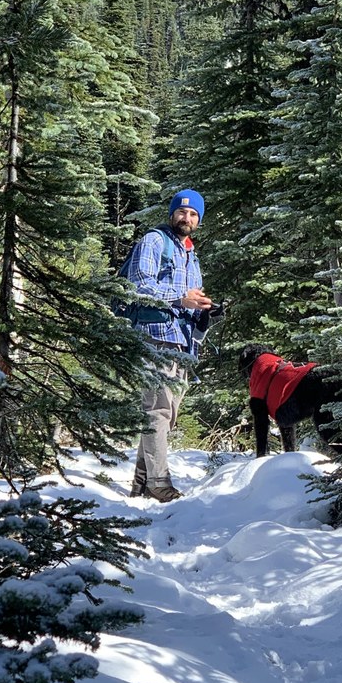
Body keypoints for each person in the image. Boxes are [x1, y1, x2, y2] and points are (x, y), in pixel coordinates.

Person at [124, 189, 213, 502]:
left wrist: (204, 309)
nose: (186, 218)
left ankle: (140, 483)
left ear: (198, 220)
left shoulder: (190, 253)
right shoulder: (153, 241)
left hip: (181, 342)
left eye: (192, 214)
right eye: (181, 212)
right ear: (172, 213)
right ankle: (158, 484)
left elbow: (191, 299)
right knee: (158, 411)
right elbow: (138, 285)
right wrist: (179, 298)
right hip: (153, 335)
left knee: (165, 413)